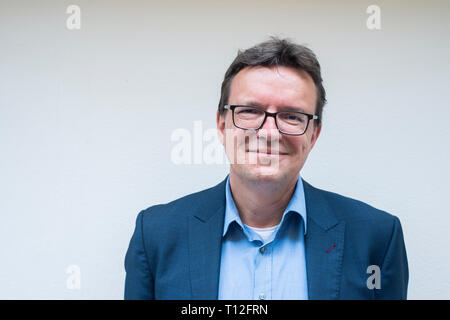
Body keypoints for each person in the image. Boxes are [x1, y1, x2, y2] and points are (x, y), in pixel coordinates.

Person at [124, 37, 409, 300]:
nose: (270, 132)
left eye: (292, 116)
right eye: (249, 111)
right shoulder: (156, 235)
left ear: (314, 134)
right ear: (222, 124)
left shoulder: (378, 237)